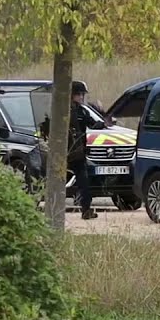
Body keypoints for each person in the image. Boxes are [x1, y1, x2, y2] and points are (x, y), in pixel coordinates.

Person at [41, 80, 105, 219]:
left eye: (82, 94)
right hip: (61, 153)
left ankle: (86, 210)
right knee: (57, 182)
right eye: (79, 94)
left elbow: (93, 124)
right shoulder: (59, 110)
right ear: (72, 95)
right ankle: (52, 210)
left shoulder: (81, 110)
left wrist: (102, 116)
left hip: (77, 153)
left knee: (84, 183)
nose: (82, 97)